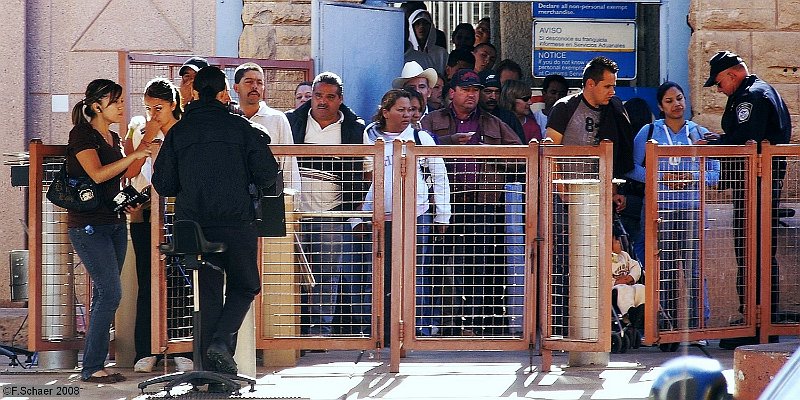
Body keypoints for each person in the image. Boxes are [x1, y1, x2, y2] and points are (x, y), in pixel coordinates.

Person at [152, 66, 279, 375]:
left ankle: (212, 373)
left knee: (208, 293)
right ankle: (221, 345)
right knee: (245, 285)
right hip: (235, 224)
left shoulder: (179, 131)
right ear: (224, 92)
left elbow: (164, 184)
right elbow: (267, 176)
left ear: (194, 93)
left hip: (192, 228)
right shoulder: (241, 128)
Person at [421, 68, 521, 336]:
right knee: (441, 265)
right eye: (466, 90)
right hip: (444, 204)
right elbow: (417, 149)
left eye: (475, 90)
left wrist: (494, 153)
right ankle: (447, 326)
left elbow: (521, 154)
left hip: (483, 204)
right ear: (452, 93)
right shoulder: (431, 121)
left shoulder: (492, 122)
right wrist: (447, 142)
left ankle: (479, 324)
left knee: (481, 265)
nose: (471, 95)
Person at [702, 51, 791, 349]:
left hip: (755, 186)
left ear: (732, 74)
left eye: (718, 82)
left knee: (753, 253)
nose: (719, 89)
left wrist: (717, 142)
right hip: (758, 185)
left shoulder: (750, 96)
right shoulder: (762, 90)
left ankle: (756, 324)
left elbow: (746, 141)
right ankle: (760, 321)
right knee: (757, 252)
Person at [66, 79, 154, 383]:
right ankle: (91, 368)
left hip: (115, 223)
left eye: (119, 100)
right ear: (96, 106)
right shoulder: (82, 135)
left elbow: (124, 174)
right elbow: (97, 173)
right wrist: (133, 156)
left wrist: (141, 153)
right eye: (114, 101)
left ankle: (93, 365)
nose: (120, 105)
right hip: (88, 227)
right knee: (111, 294)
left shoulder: (114, 137)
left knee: (104, 295)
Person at [355, 89, 451, 338]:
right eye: (401, 109)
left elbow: (439, 178)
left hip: (416, 216)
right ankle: (380, 330)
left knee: (414, 273)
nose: (407, 114)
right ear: (385, 112)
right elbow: (365, 180)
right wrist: (360, 216)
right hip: (380, 217)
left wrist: (442, 215)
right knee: (379, 275)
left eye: (410, 109)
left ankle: (413, 330)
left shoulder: (421, 138)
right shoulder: (369, 135)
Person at [626, 81, 719, 330]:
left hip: (691, 209)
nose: (676, 104)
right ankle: (665, 327)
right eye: (669, 101)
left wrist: (692, 177)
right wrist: (660, 177)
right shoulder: (648, 132)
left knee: (694, 270)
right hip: (660, 211)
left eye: (679, 98)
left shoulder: (699, 132)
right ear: (660, 106)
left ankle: (698, 326)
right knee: (662, 269)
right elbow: (633, 168)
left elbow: (716, 173)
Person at [285, 72, 367, 336]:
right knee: (288, 273)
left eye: (330, 97)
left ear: (340, 99)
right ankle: (291, 332)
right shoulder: (292, 122)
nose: (322, 102)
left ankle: (320, 330)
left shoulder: (355, 129)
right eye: (318, 96)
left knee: (327, 274)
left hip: (331, 213)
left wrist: (352, 205)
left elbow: (367, 170)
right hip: (293, 213)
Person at [124, 77, 193, 374]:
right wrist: (145, 140)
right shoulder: (143, 132)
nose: (153, 114)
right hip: (145, 215)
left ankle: (182, 346)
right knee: (147, 282)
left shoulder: (185, 133)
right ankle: (147, 348)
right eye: (148, 108)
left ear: (173, 105)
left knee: (180, 282)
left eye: (159, 108)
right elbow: (129, 171)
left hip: (179, 215)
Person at [234, 62, 300, 194]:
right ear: (236, 87)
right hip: (235, 195)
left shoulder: (277, 118)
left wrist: (292, 202)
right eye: (249, 82)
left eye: (259, 82)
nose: (255, 86)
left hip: (270, 194)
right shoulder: (229, 119)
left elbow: (289, 164)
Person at [618, 97, 654, 265]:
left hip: (628, 204)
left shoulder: (627, 138)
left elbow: (627, 169)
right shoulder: (652, 133)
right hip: (647, 203)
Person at [478, 71, 525, 143]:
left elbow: (520, 148)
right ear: (478, 93)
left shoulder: (509, 118)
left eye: (497, 92)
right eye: (488, 92)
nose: (493, 97)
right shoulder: (470, 116)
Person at [611, 226, 645, 320]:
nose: (619, 242)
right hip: (615, 288)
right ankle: (629, 313)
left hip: (629, 284)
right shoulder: (605, 259)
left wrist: (631, 277)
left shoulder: (624, 255)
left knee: (641, 288)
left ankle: (643, 312)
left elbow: (635, 266)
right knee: (623, 290)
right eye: (615, 241)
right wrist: (615, 282)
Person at [406, 9, 448, 75]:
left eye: (425, 23)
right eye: (417, 23)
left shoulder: (441, 53)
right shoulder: (406, 54)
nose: (421, 26)